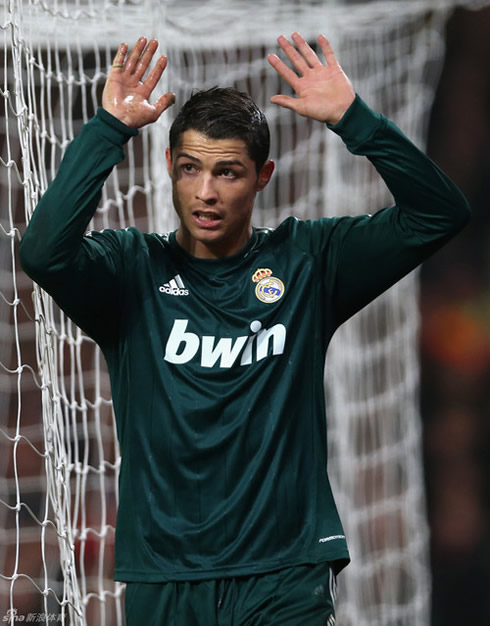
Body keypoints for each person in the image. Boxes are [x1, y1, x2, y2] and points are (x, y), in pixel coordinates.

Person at [19, 34, 470, 625]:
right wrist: (109, 128)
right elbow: (44, 253)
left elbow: (440, 213)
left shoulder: (308, 263)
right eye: (191, 169)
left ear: (263, 176)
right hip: (166, 577)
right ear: (169, 169)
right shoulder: (129, 272)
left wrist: (353, 119)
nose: (205, 192)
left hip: (284, 575)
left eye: (227, 172)